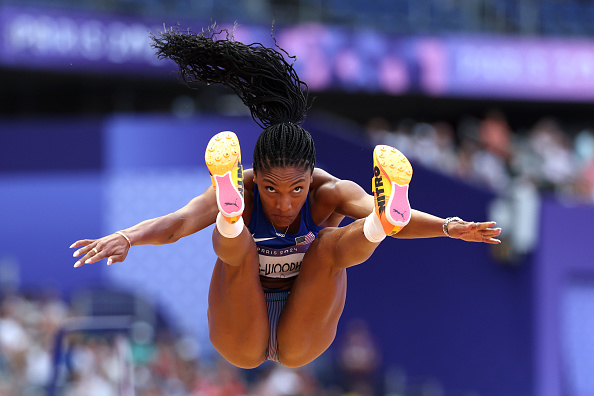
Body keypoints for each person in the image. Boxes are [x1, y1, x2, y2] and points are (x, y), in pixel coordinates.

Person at [70, 25, 501, 369]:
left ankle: (378, 226)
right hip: (241, 328)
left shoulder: (329, 192)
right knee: (234, 252)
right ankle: (230, 217)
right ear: (256, 180)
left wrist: (447, 226)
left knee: (332, 243)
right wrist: (127, 236)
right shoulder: (244, 183)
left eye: (296, 190)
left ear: (309, 179)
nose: (282, 203)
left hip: (304, 327)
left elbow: (402, 219)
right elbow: (180, 223)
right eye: (271, 190)